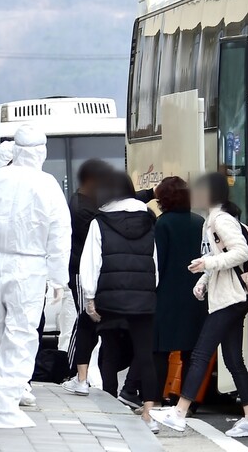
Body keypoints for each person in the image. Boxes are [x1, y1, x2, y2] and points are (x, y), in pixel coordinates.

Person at [151, 172, 248, 438]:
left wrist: (208, 265)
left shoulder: (221, 220)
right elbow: (221, 257)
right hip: (232, 297)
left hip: (230, 298)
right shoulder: (212, 220)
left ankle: (179, 412)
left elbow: (240, 253)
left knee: (201, 353)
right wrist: (204, 278)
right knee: (234, 360)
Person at [0, 124, 71, 429]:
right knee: (21, 335)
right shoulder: (47, 184)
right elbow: (59, 234)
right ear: (40, 152)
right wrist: (59, 279)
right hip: (29, 267)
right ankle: (5, 403)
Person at [78, 170, 160, 434]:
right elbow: (154, 261)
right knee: (145, 355)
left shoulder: (99, 221)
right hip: (143, 297)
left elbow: (91, 262)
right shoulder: (149, 219)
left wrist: (90, 297)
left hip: (109, 297)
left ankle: (106, 401)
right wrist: (149, 289)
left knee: (107, 345)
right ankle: (149, 412)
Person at [151, 176, 206, 403]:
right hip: (195, 294)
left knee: (160, 350)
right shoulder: (200, 221)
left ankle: (154, 398)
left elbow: (158, 262)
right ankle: (186, 402)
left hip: (166, 295)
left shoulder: (163, 223)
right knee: (191, 351)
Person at [64, 159, 111, 392]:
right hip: (83, 273)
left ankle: (79, 373)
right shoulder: (82, 209)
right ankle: (74, 371)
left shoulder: (87, 201)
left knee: (90, 321)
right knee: (85, 320)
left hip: (88, 271)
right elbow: (105, 220)